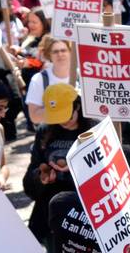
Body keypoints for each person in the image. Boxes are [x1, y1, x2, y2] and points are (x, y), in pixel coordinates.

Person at [22, 84, 84, 244]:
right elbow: (31, 176)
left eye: (67, 116)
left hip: (83, 213)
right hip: (50, 213)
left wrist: (77, 169)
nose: (63, 122)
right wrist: (40, 177)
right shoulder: (45, 131)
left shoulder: (93, 128)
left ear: (77, 106)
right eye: (58, 117)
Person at [25, 36, 74, 125]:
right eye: (55, 52)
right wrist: (59, 109)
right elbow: (34, 116)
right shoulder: (39, 79)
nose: (60, 54)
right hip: (54, 134)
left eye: (63, 50)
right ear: (49, 55)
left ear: (70, 52)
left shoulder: (81, 76)